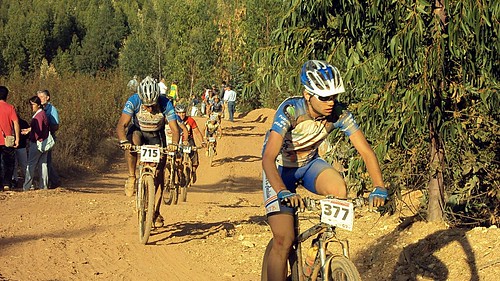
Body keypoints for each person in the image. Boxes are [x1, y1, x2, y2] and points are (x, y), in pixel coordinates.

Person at [261, 60, 388, 281]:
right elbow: (268, 158)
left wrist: (379, 186)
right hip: (280, 169)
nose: (331, 102)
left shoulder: (339, 114)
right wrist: (282, 191)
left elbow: (366, 152)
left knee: (339, 189)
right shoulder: (290, 110)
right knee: (284, 239)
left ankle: (314, 253)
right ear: (307, 94)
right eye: (324, 97)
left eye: (334, 96)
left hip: (309, 165)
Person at [116, 76, 181, 226]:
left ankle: (156, 211)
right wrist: (123, 141)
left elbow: (175, 129)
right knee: (131, 143)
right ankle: (132, 176)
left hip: (157, 135)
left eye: (152, 105)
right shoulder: (133, 101)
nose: (150, 109)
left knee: (159, 175)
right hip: (139, 132)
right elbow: (121, 125)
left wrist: (174, 144)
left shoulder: (166, 104)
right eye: (147, 105)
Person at [22, 96, 50, 191]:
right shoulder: (42, 114)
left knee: (31, 164)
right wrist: (29, 130)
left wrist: (34, 137)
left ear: (38, 105)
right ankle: (44, 186)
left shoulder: (38, 116)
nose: (32, 106)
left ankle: (26, 186)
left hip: (37, 143)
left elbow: (39, 129)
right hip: (44, 143)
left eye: (33, 104)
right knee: (43, 164)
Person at [175, 104, 205, 183]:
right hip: (179, 140)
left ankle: (193, 171)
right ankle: (179, 174)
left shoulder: (190, 120)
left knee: (194, 156)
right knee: (177, 159)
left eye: (183, 113)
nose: (182, 115)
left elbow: (197, 132)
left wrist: (202, 142)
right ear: (176, 113)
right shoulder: (173, 120)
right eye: (179, 113)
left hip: (189, 140)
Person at [37, 89, 60, 188]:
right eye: (39, 97)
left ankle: (54, 181)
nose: (40, 99)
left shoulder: (52, 109)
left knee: (47, 160)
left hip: (48, 137)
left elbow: (56, 125)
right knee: (43, 160)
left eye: (42, 97)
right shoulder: (40, 109)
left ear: (47, 97)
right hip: (41, 137)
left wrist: (46, 128)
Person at [0, 86, 20, 191]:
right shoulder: (10, 108)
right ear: (6, 96)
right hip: (7, 140)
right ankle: (6, 183)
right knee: (9, 162)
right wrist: (17, 138)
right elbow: (16, 123)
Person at [12, 111, 30, 188]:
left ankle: (28, 181)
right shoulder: (11, 123)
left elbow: (28, 135)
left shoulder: (23, 123)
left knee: (23, 165)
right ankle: (14, 180)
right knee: (14, 165)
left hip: (21, 147)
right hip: (14, 147)